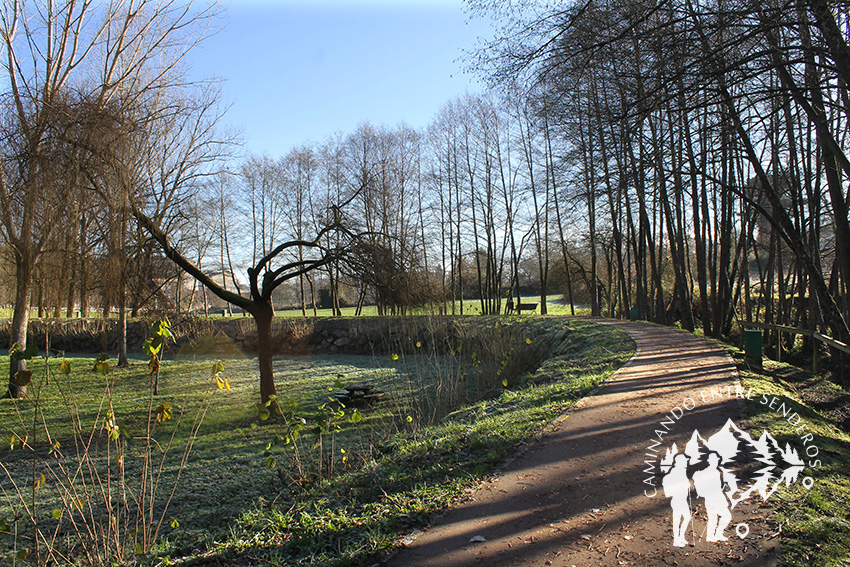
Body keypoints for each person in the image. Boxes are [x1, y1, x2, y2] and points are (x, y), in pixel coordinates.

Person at [692, 452, 732, 542]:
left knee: (721, 517)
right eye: (713, 460)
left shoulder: (717, 472)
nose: (715, 462)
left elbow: (716, 487)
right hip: (712, 498)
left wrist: (723, 487)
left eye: (716, 460)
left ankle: (716, 535)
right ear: (709, 461)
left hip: (718, 497)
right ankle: (713, 536)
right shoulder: (707, 473)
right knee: (717, 517)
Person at [662, 453, 692, 547]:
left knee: (687, 517)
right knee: (677, 520)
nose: (686, 464)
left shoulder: (682, 473)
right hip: (677, 500)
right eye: (685, 462)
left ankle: (681, 537)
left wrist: (688, 486)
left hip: (683, 500)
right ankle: (676, 540)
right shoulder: (673, 474)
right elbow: (668, 493)